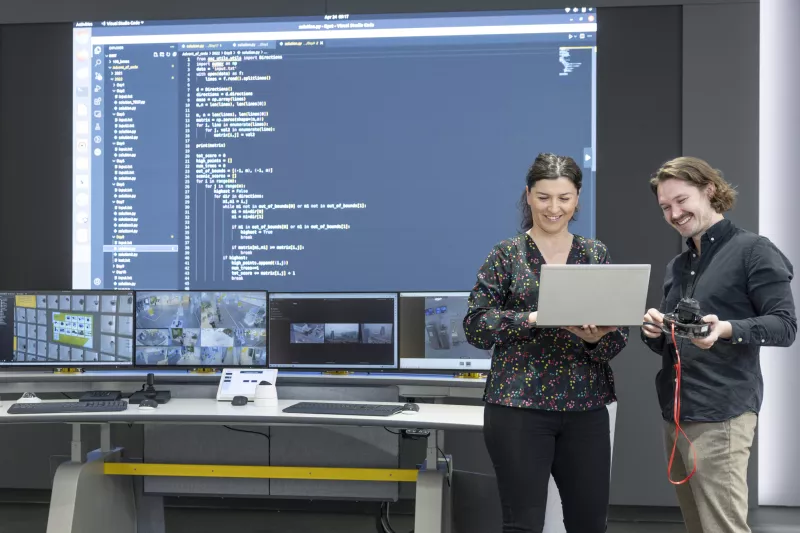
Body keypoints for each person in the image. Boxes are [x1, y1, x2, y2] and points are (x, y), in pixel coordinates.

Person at [464, 152, 629, 533]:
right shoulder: (506, 254)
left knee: (590, 524)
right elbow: (476, 325)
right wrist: (533, 319)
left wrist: (593, 339)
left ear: (577, 198)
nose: (554, 208)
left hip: (586, 407)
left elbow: (617, 336)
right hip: (518, 407)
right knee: (523, 525)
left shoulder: (594, 253)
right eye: (543, 197)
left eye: (564, 198)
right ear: (528, 196)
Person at [641, 156, 797, 533]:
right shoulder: (678, 267)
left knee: (723, 529)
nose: (674, 213)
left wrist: (726, 328)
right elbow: (676, 343)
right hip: (678, 413)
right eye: (665, 207)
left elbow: (786, 326)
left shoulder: (753, 250)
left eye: (681, 200)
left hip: (722, 415)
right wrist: (656, 332)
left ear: (709, 190)